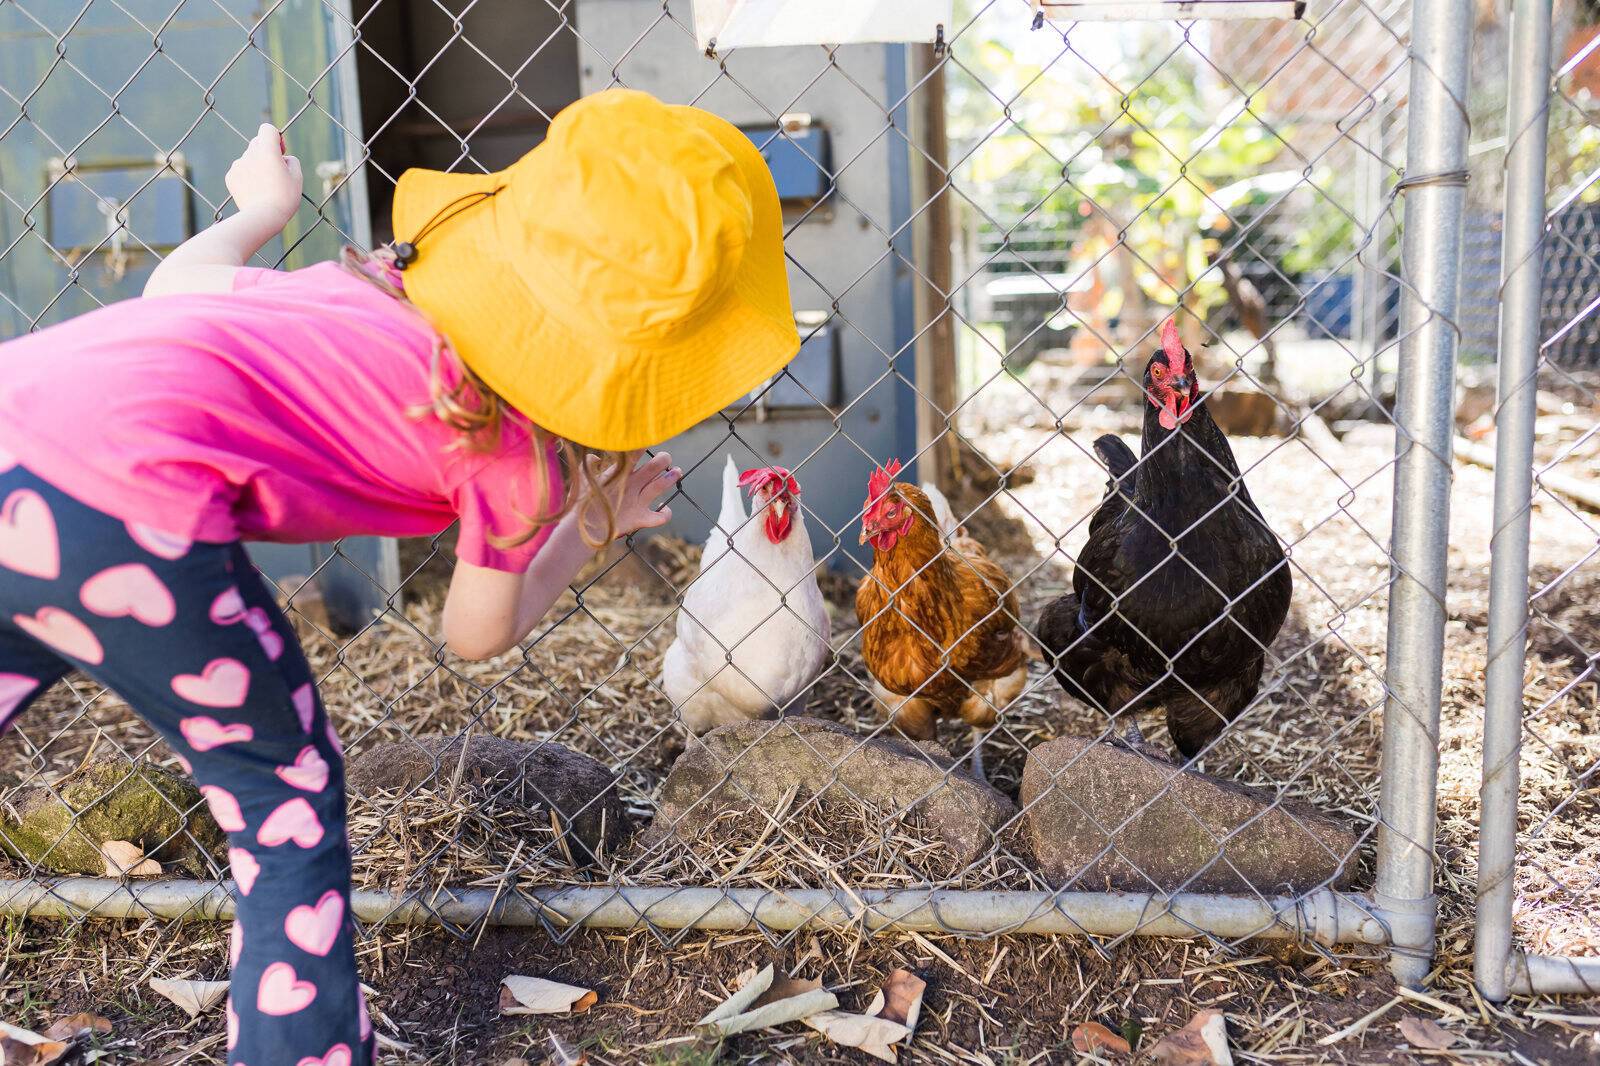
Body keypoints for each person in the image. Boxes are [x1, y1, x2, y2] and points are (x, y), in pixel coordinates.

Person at [0, 88, 798, 1065]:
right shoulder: (514, 451)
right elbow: (475, 632)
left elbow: (178, 288)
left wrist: (261, 210)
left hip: (13, 424)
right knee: (281, 799)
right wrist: (588, 531)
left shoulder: (355, 291)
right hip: (126, 517)